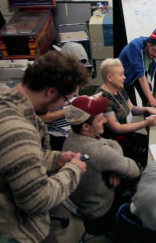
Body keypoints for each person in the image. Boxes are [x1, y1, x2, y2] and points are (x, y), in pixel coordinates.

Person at [0, 51, 89, 242]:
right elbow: (39, 200)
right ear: (50, 91)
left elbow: (12, 159)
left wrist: (57, 159)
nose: (65, 104)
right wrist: (73, 169)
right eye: (66, 99)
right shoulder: (17, 132)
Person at [62, 96, 140, 231]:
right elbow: (134, 170)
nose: (104, 120)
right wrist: (117, 165)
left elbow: (112, 142)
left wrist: (115, 169)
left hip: (83, 203)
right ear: (86, 127)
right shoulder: (97, 150)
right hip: (101, 211)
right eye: (99, 119)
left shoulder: (71, 137)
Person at [96, 58, 156, 167]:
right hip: (116, 142)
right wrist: (145, 123)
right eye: (121, 75)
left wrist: (146, 109)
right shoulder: (103, 98)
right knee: (148, 154)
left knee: (154, 143)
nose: (124, 77)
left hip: (128, 135)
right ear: (109, 77)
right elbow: (116, 128)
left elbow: (131, 108)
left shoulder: (119, 89)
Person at [118, 25, 156, 108]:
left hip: (141, 75)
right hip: (125, 75)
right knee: (130, 107)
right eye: (154, 50)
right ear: (149, 43)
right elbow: (141, 77)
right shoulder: (135, 46)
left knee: (149, 102)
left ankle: (149, 118)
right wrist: (151, 99)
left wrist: (153, 96)